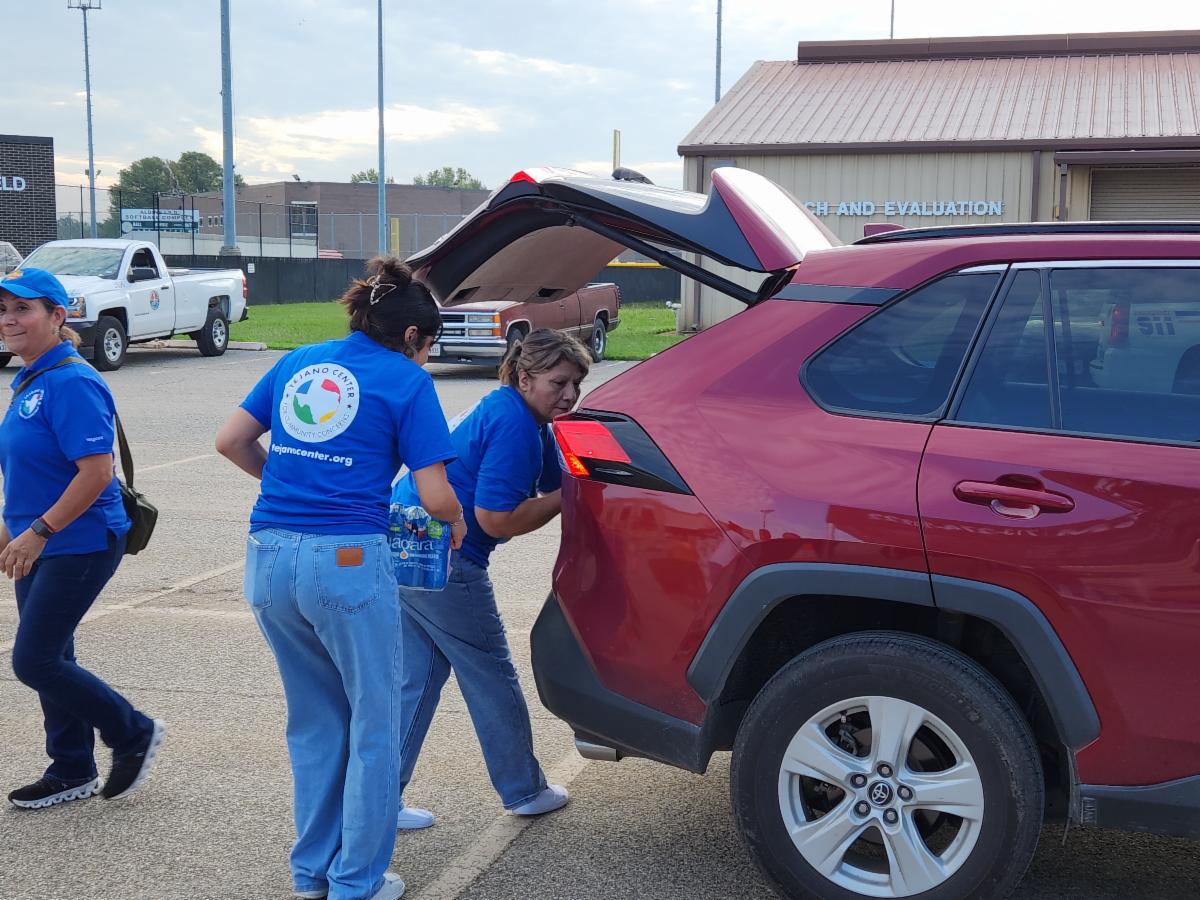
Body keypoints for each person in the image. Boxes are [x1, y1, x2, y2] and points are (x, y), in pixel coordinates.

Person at [216, 257, 466, 900]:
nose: (426, 354)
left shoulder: (300, 360)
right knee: (375, 724)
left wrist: (288, 485)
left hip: (269, 554)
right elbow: (435, 494)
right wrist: (456, 521)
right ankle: (357, 880)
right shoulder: (407, 380)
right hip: (348, 560)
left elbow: (231, 440)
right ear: (411, 335)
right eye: (428, 343)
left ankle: (312, 874)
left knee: (315, 722)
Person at [390, 328, 590, 830]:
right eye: (559, 382)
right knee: (490, 672)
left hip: (403, 542)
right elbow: (496, 519)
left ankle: (379, 798)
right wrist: (573, 496)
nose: (570, 394)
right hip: (446, 555)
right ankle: (525, 789)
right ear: (525, 378)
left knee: (418, 678)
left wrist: (580, 473)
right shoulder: (516, 425)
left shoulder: (514, 413)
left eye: (577, 383)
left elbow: (558, 476)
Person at [0, 267, 165, 810]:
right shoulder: (32, 378)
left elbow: (95, 473)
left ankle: (132, 731)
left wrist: (38, 532)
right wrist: (11, 532)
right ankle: (71, 766)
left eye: (22, 308)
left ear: (57, 316)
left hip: (80, 540)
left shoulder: (71, 381)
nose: (9, 320)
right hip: (41, 539)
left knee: (35, 661)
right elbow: (32, 473)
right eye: (2, 309)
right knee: (55, 653)